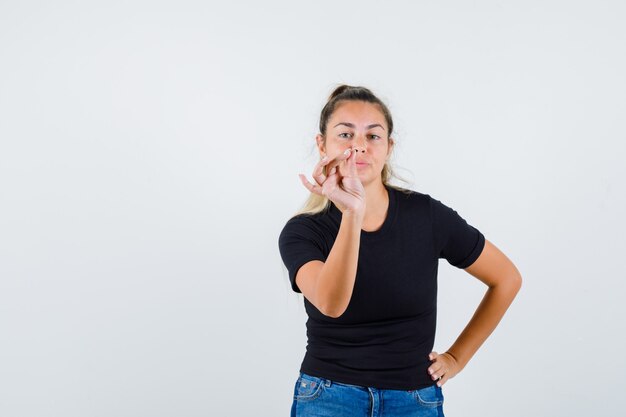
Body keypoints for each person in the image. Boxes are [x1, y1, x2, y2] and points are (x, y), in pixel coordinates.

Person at [278, 84, 522, 417]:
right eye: (345, 134)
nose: (359, 146)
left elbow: (506, 278)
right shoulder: (303, 231)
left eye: (373, 136)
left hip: (414, 400)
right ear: (322, 144)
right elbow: (331, 303)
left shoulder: (427, 216)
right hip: (329, 398)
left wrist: (456, 358)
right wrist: (352, 212)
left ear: (389, 146)